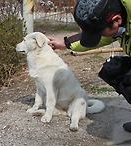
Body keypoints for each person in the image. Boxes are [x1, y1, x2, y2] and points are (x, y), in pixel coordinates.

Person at [48, 0, 131, 132]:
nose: (100, 36)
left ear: (117, 20)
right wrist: (66, 43)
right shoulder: (118, 15)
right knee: (113, 70)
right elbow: (104, 37)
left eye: (98, 32)